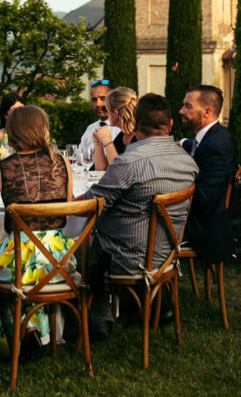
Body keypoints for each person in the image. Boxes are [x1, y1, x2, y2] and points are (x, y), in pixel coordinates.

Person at [84, 93, 198, 334]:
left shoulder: (129, 162)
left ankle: (99, 306)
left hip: (126, 259)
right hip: (168, 257)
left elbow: (89, 205)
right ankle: (150, 301)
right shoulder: (189, 163)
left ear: (135, 125)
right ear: (170, 125)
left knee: (89, 238)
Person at [0, 105, 74, 357]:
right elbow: (68, 209)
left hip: (18, 255)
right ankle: (34, 331)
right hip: (59, 261)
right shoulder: (62, 163)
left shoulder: (1, 168)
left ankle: (22, 332)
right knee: (31, 274)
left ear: (12, 132)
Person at [178, 85, 238, 264]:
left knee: (142, 227)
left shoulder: (216, 145)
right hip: (200, 220)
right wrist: (181, 143)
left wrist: (168, 189)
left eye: (188, 106)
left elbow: (203, 197)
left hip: (202, 229)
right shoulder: (213, 136)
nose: (181, 111)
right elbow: (196, 145)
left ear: (207, 112)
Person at [92, 87, 138, 171]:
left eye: (107, 110)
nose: (107, 114)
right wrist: (98, 143)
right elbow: (101, 169)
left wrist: (107, 142)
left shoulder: (138, 136)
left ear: (115, 114)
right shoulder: (123, 135)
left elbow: (120, 170)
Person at [78, 79, 114, 165]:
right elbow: (79, 158)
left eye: (103, 98)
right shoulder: (90, 128)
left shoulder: (121, 128)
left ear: (112, 99)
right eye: (94, 99)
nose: (98, 104)